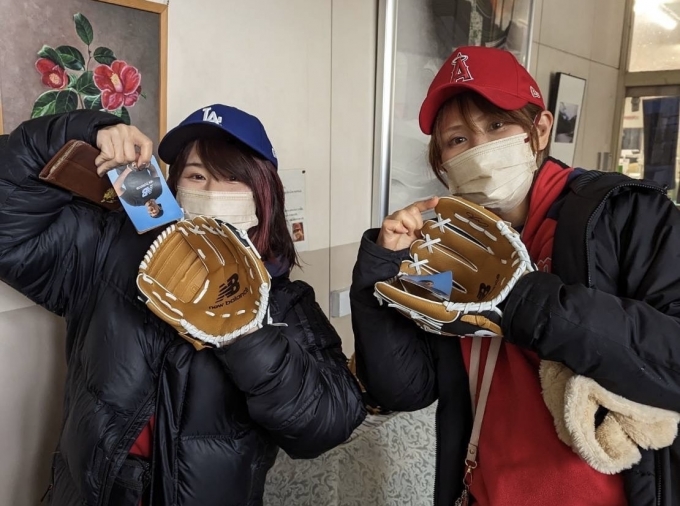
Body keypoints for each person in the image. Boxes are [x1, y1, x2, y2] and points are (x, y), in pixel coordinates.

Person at [350, 45, 680, 506]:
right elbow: (404, 389)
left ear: (539, 130)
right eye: (457, 140)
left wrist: (521, 298)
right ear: (442, 162)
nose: (479, 149)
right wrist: (383, 271)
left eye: (496, 126)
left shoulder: (627, 215)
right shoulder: (447, 249)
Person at [0, 103, 366, 505]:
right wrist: (86, 130)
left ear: (263, 195)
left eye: (232, 178)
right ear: (174, 187)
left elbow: (328, 424)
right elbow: (10, 228)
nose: (210, 192)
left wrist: (244, 330)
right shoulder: (106, 250)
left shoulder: (286, 301)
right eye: (196, 176)